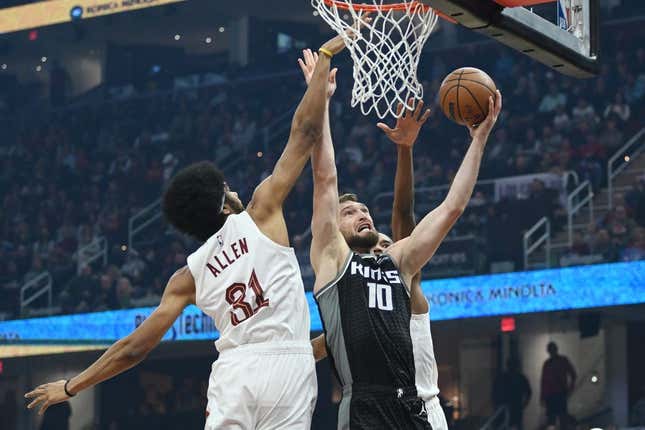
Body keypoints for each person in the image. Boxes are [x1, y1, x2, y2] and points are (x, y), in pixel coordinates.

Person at [24, 33, 349, 430]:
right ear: (222, 202)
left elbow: (133, 349)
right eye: (226, 187)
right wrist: (324, 65)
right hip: (291, 367)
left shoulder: (187, 277)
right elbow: (305, 133)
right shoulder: (262, 211)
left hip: (237, 369)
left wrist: (73, 386)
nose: (232, 190)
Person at [308, 44, 502, 428]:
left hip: (412, 407)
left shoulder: (397, 262)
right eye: (349, 212)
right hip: (365, 405)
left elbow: (451, 208)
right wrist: (321, 100)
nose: (362, 214)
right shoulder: (333, 259)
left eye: (364, 209)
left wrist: (478, 140)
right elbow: (325, 177)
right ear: (333, 227)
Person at [540, 342, 577, 430]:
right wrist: (543, 396)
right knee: (552, 419)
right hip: (552, 395)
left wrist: (570, 387)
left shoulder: (562, 361)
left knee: (561, 417)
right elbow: (544, 382)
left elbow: (573, 375)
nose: (551, 352)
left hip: (559, 393)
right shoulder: (548, 363)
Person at [493, 357, 532, 430]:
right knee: (506, 424)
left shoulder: (519, 378)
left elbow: (528, 392)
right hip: (506, 406)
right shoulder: (504, 377)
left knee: (513, 425)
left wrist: (525, 403)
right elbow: (528, 392)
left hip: (514, 406)